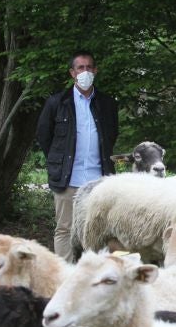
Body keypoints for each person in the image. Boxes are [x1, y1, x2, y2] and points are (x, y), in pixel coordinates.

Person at [36, 52, 118, 260]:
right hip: (68, 178)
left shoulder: (107, 103)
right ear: (72, 73)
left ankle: (93, 273)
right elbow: (44, 136)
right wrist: (59, 161)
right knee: (65, 228)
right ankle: (65, 275)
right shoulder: (57, 102)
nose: (85, 72)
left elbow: (111, 135)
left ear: (95, 71)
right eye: (80, 68)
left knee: (99, 229)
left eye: (89, 67)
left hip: (99, 179)